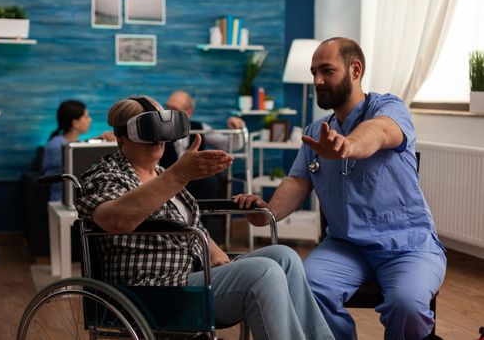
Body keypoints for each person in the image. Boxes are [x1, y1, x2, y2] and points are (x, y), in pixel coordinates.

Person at [233, 37, 446, 340]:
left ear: (355, 69)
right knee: (305, 286)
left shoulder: (389, 108)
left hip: (407, 246)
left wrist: (349, 145)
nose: (317, 80)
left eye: (326, 71)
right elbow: (297, 181)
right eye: (313, 72)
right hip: (346, 248)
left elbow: (381, 132)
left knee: (406, 305)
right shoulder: (317, 132)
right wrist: (267, 213)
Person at [74, 95, 334, 340]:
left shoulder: (161, 173)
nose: (157, 139)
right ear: (122, 138)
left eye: (161, 129)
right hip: (152, 290)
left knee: (284, 256)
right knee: (263, 272)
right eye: (147, 130)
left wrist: (215, 252)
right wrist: (178, 175)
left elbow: (189, 227)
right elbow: (115, 220)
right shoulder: (105, 176)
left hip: (192, 275)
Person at [161, 90, 247, 243]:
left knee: (210, 181)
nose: (169, 114)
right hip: (167, 179)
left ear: (188, 112)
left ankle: (205, 237)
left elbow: (233, 144)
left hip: (197, 181)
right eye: (167, 108)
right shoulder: (159, 130)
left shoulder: (200, 127)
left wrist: (238, 127)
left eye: (175, 109)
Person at [41, 100, 115, 201]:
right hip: (62, 200)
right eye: (86, 117)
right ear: (75, 123)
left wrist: (100, 138)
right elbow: (78, 159)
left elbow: (79, 146)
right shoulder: (57, 146)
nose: (90, 120)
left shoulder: (63, 142)